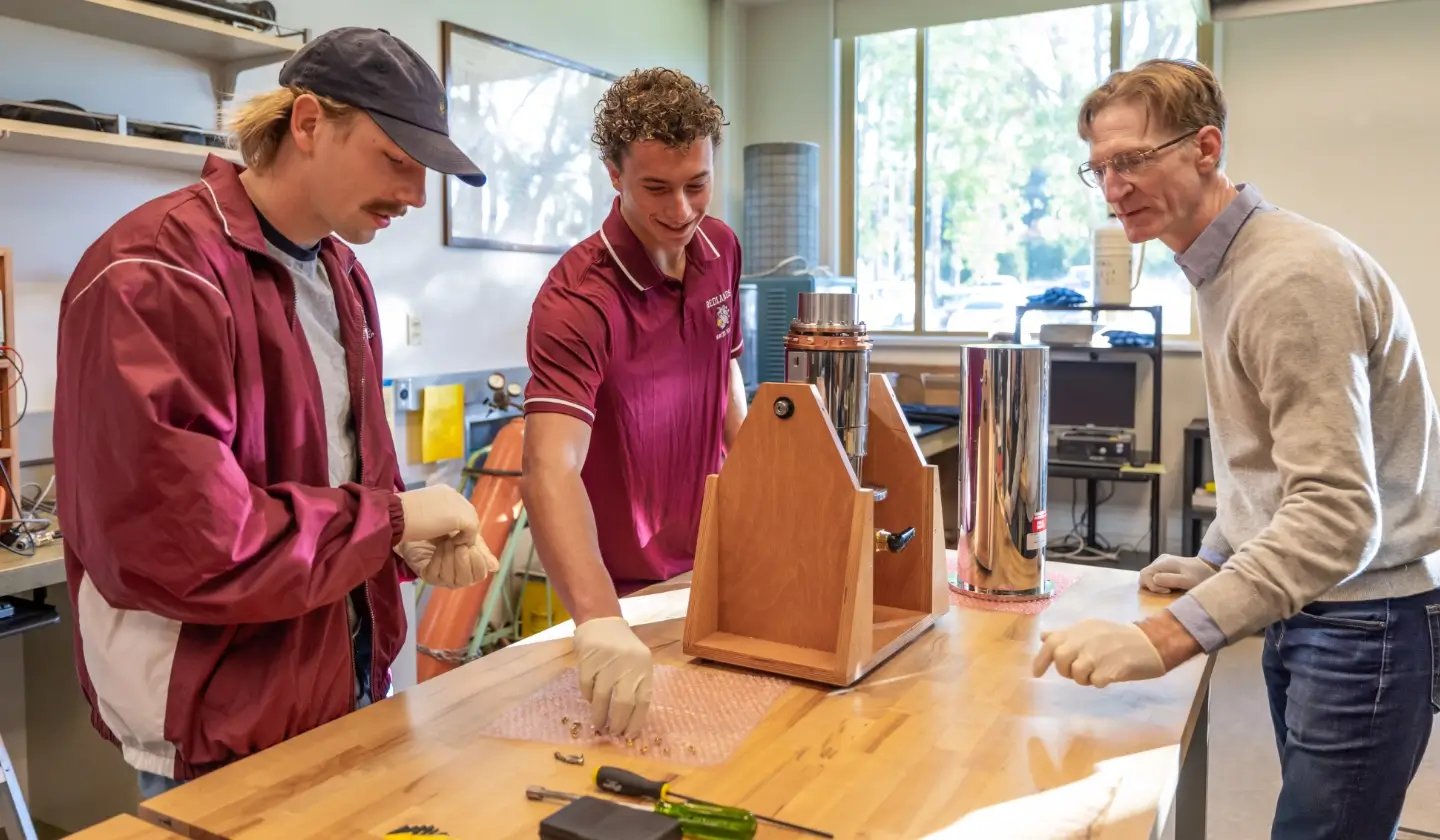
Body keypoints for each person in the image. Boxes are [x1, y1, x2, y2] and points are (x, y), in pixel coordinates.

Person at [52, 27, 498, 797]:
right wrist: (390, 523)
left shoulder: (341, 275)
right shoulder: (155, 272)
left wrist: (396, 548)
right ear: (309, 124)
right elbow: (188, 543)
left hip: (340, 692)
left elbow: (336, 473)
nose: (416, 196)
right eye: (396, 161)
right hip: (216, 724)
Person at [1032, 58, 1440, 839]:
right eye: (1099, 169)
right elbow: (1268, 464)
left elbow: (1336, 515)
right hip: (1317, 609)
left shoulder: (1287, 277)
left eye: (1132, 161)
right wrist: (1220, 555)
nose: (1114, 186)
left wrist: (1163, 637)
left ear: (1206, 148)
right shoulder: (1224, 266)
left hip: (1365, 622)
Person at [520, 68, 744, 738]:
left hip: (710, 571)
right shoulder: (576, 301)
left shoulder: (721, 248)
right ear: (614, 174)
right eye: (656, 188)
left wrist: (772, 500)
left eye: (696, 185)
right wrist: (597, 620)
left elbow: (728, 384)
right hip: (622, 596)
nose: (681, 211)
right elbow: (549, 470)